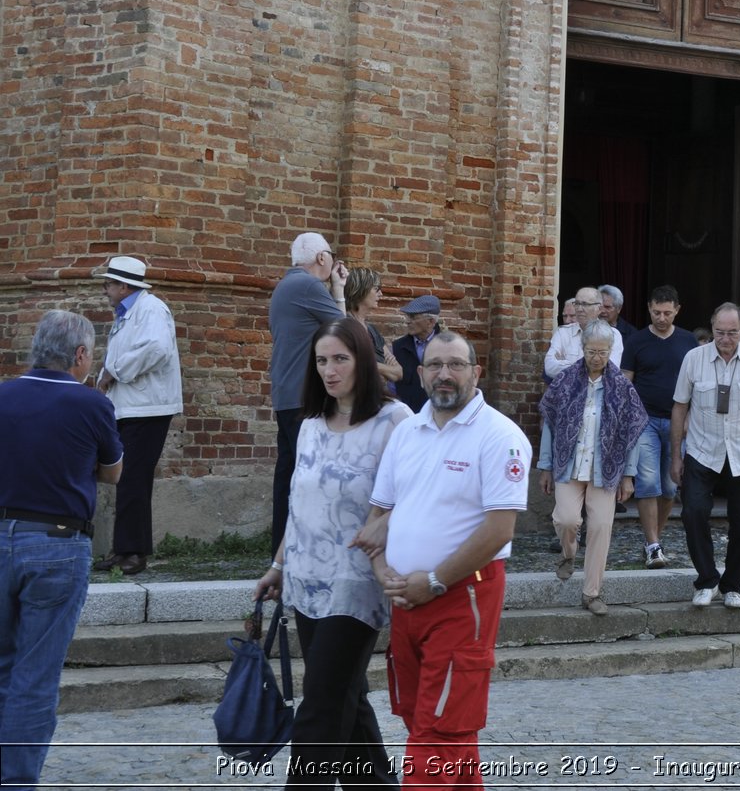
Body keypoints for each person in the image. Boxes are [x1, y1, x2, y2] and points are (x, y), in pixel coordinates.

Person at [365, 332, 530, 788]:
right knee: (428, 716)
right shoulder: (407, 433)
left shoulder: (500, 436)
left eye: (456, 364)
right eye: (435, 364)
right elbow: (379, 515)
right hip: (407, 601)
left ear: (476, 372)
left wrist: (435, 580)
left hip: (463, 596)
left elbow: (500, 530)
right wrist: (385, 576)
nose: (444, 374)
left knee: (438, 727)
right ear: (419, 374)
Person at [255, 318, 410, 788]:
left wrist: (384, 530)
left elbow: (409, 502)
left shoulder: (395, 422)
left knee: (321, 701)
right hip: (305, 578)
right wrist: (279, 565)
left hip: (357, 582)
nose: (329, 369)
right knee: (347, 695)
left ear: (363, 360)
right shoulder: (309, 426)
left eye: (340, 358)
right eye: (322, 360)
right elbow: (299, 507)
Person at [0, 310, 123, 786]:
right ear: (78, 356)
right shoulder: (90, 404)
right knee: (34, 675)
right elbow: (113, 472)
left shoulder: (3, 394)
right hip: (56, 541)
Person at [669, 303, 740, 609]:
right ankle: (706, 580)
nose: (725, 338)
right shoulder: (694, 359)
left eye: (732, 333)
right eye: (720, 332)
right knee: (693, 512)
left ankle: (733, 585)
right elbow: (679, 406)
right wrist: (676, 455)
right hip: (702, 451)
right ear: (712, 327)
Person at [537, 320, 647, 615]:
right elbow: (550, 423)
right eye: (590, 351)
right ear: (582, 349)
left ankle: (592, 593)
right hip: (567, 464)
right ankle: (568, 553)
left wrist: (629, 475)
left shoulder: (623, 387)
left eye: (602, 352)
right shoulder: (565, 381)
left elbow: (633, 432)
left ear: (611, 351)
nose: (596, 357)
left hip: (606, 468)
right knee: (566, 520)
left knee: (600, 527)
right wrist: (545, 466)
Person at [92, 256, 182, 576]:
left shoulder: (151, 308)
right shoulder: (128, 312)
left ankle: (133, 553)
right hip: (133, 406)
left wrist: (113, 371)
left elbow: (157, 349)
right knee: (128, 479)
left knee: (132, 479)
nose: (105, 289)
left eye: (109, 284)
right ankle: (126, 550)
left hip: (148, 407)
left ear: (124, 285)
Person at [269, 233, 348, 550]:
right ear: (321, 258)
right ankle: (305, 547)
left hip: (287, 393)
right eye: (331, 255)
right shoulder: (308, 285)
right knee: (311, 476)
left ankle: (281, 548)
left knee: (288, 473)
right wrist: (339, 291)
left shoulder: (284, 286)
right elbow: (344, 332)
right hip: (304, 395)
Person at [620, 285, 698, 567]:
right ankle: (654, 544)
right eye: (656, 312)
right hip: (645, 421)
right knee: (648, 482)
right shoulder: (636, 341)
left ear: (677, 310)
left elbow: (697, 385)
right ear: (649, 309)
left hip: (679, 421)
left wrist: (691, 417)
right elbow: (626, 383)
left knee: (669, 486)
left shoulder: (689, 341)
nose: (661, 318)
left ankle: (653, 540)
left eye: (667, 313)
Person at [544, 287, 621, 381]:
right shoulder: (562, 333)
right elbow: (549, 368)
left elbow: (610, 372)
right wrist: (592, 368)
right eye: (577, 303)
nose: (579, 309)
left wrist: (566, 363)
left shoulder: (613, 335)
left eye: (585, 304)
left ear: (599, 308)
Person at [345, 267, 405, 387]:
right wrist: (384, 368)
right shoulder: (345, 324)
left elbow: (398, 372)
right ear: (361, 290)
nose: (380, 294)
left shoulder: (372, 330)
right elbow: (351, 365)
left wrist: (371, 367)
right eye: (376, 289)